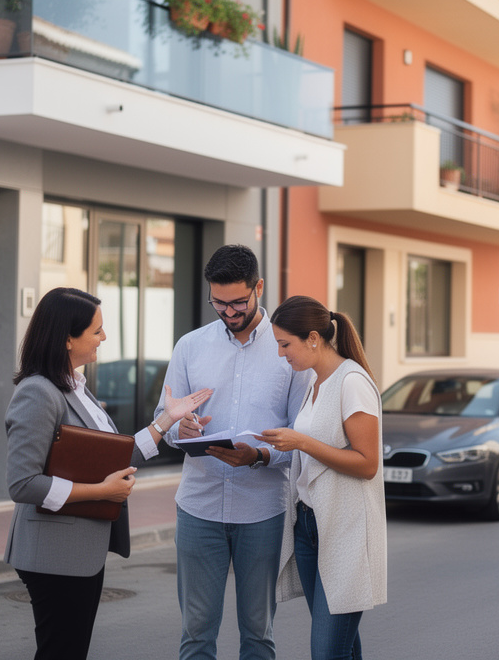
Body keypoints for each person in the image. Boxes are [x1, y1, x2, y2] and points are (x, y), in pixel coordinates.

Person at [4, 287, 211, 660]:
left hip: (77, 555)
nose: (104, 337)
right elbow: (23, 483)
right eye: (97, 330)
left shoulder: (75, 388)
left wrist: (167, 419)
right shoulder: (38, 393)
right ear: (67, 338)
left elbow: (116, 456)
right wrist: (100, 491)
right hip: (53, 556)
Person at [153, 245, 311, 660]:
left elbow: (303, 436)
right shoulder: (189, 346)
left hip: (262, 511)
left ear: (259, 287)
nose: (227, 311)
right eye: (218, 302)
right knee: (195, 634)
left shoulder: (288, 350)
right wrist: (178, 427)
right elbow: (163, 418)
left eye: (238, 301)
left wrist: (259, 456)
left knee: (258, 634)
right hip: (198, 507)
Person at [257, 296, 387, 660]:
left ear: (313, 338)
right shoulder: (316, 382)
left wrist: (301, 441)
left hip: (345, 528)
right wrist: (264, 452)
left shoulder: (352, 382)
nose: (282, 354)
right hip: (309, 525)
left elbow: (367, 464)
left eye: (285, 345)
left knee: (328, 651)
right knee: (342, 647)